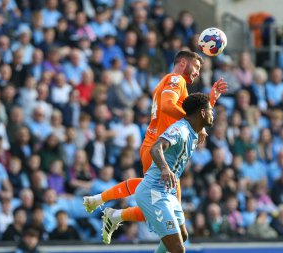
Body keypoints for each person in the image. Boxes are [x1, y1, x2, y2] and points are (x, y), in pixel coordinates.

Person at [83, 51, 227, 242]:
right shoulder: (176, 79)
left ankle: (113, 213)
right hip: (159, 147)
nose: (198, 73)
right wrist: (194, 123)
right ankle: (102, 202)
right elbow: (168, 106)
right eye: (197, 67)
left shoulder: (174, 83)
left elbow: (194, 111)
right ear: (183, 62)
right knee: (160, 203)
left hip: (161, 146)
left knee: (160, 209)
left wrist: (211, 101)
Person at [127, 93, 213, 253]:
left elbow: (198, 120)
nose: (212, 114)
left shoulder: (193, 130)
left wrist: (201, 128)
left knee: (183, 235)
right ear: (202, 113)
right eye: (210, 111)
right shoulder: (180, 130)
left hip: (167, 192)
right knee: (178, 249)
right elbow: (156, 147)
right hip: (153, 192)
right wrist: (165, 168)